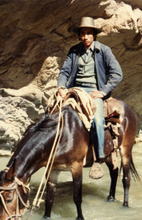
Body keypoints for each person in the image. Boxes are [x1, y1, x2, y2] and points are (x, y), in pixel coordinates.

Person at [57, 17, 123, 179]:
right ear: (79, 35)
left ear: (94, 35)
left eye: (89, 33)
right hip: (75, 90)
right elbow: (64, 72)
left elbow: (117, 74)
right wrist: (60, 86)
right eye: (83, 33)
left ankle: (98, 158)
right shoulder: (74, 51)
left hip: (94, 92)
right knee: (54, 112)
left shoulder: (104, 51)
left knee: (97, 120)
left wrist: (103, 92)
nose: (86, 37)